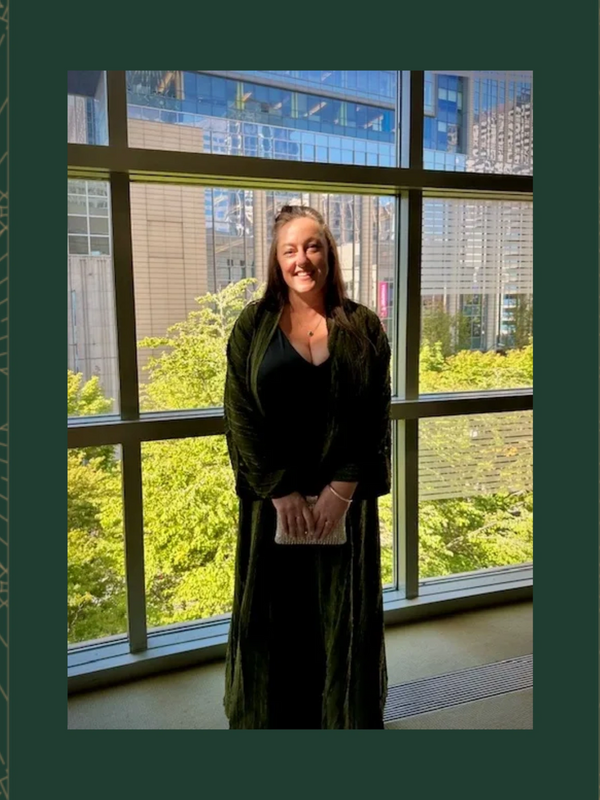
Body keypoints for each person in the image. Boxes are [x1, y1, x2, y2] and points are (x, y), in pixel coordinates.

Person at [222, 204, 391, 729]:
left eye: (313, 246)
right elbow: (239, 414)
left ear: (329, 253)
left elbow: (374, 416)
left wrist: (341, 492)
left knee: (340, 621)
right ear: (276, 260)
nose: (303, 260)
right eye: (290, 250)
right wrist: (280, 491)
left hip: (345, 503)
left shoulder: (363, 325)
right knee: (276, 622)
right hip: (274, 505)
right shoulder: (253, 324)